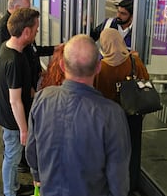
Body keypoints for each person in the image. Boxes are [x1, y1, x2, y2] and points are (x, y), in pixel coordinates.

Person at [26, 34, 131, 196]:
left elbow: (31, 154)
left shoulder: (42, 99)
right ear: (98, 67)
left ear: (62, 65)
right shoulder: (112, 114)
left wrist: (38, 175)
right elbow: (118, 177)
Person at [0, 0, 57, 172]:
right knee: (12, 148)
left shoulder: (15, 37)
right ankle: (12, 185)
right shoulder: (5, 37)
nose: (36, 32)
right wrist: (24, 129)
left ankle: (15, 175)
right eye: (27, 7)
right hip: (14, 105)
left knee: (15, 144)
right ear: (18, 8)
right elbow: (14, 95)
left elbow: (33, 52)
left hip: (21, 96)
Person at [94, 28, 150, 194]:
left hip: (108, 119)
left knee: (110, 153)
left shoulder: (100, 67)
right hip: (132, 115)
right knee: (133, 150)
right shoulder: (134, 62)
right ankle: (131, 185)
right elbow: (145, 82)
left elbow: (95, 93)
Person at [0, 8, 40, 196]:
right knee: (12, 157)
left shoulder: (8, 46)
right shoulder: (13, 60)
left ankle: (13, 187)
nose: (37, 31)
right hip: (12, 119)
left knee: (12, 155)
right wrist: (23, 129)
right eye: (36, 28)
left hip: (8, 115)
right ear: (27, 32)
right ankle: (9, 192)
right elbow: (15, 101)